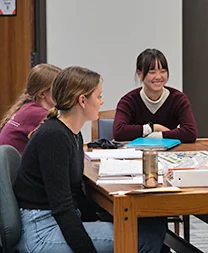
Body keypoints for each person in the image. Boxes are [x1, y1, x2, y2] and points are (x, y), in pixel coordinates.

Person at [14, 66, 167, 253]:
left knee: (154, 226)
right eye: (99, 96)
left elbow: (75, 192)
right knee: (145, 238)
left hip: (56, 220)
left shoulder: (73, 134)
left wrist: (94, 218)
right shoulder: (54, 137)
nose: (102, 102)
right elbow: (62, 207)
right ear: (82, 100)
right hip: (41, 231)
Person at [113, 48, 197, 143]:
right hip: (137, 154)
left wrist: (157, 135)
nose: (158, 76)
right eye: (152, 72)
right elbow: (119, 132)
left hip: (170, 153)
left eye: (163, 71)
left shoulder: (178, 99)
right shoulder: (128, 101)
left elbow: (190, 132)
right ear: (139, 74)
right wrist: (153, 127)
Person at [0, 63, 61, 154]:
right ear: (42, 94)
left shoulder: (29, 107)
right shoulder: (38, 114)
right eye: (58, 88)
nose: (63, 92)